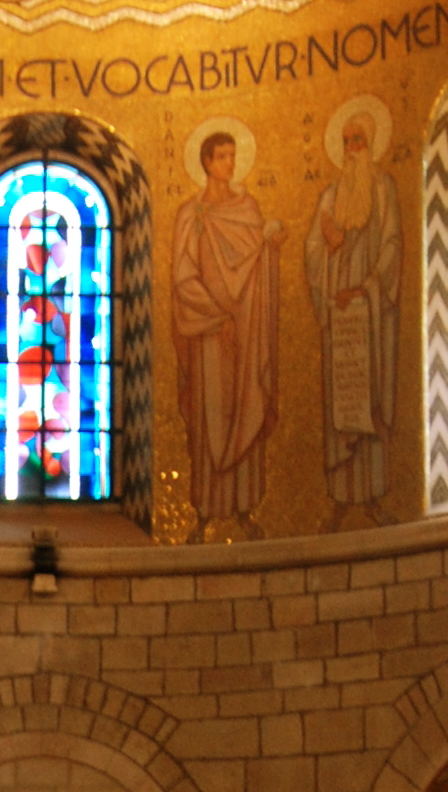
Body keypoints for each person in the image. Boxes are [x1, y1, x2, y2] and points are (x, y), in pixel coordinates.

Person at [172, 128, 281, 523]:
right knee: (211, 417)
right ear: (206, 162)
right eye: (222, 157)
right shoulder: (191, 214)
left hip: (247, 331)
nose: (230, 164)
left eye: (233, 156)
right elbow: (183, 277)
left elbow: (256, 266)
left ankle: (244, 507)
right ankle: (206, 509)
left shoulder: (248, 208)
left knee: (245, 403)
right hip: (209, 333)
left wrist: (270, 248)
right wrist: (218, 316)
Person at [302, 106, 402, 507]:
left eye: (357, 140)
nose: (350, 149)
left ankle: (376, 498)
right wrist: (327, 247)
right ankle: (342, 500)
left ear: (371, 143)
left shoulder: (383, 188)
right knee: (342, 398)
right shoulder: (331, 196)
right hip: (340, 311)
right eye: (345, 142)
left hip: (370, 308)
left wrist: (366, 287)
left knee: (371, 390)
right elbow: (313, 248)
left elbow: (393, 243)